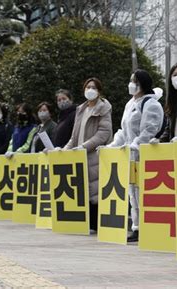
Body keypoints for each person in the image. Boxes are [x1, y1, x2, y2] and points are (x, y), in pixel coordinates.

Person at [107, 69, 164, 242]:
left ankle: (149, 226)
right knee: (133, 192)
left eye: (134, 81)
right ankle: (137, 227)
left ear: (142, 84)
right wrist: (113, 145)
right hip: (131, 156)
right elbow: (124, 130)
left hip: (144, 155)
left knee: (143, 191)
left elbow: (150, 128)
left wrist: (137, 144)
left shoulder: (150, 104)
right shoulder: (130, 103)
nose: (131, 84)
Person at [64, 77, 112, 231]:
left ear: (99, 91)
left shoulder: (104, 109)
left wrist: (84, 147)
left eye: (94, 87)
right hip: (79, 155)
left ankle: (96, 224)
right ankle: (87, 223)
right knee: (83, 189)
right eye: (88, 87)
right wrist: (65, 150)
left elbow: (103, 134)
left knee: (95, 191)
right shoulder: (81, 109)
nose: (90, 90)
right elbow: (74, 136)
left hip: (94, 156)